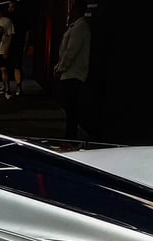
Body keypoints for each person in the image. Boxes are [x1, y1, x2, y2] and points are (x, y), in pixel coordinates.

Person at [53, 0, 90, 139]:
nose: (70, 11)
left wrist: (60, 68)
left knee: (72, 109)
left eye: (72, 8)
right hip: (70, 73)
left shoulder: (80, 27)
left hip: (73, 74)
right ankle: (69, 138)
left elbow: (71, 52)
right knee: (70, 108)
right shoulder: (75, 26)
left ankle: (70, 139)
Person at [7, 0, 29, 96]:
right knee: (6, 67)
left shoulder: (22, 18)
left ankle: (18, 87)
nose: (10, 9)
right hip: (8, 45)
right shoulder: (7, 18)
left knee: (17, 65)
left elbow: (27, 32)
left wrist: (26, 44)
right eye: (9, 7)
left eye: (12, 7)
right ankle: (6, 86)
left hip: (18, 44)